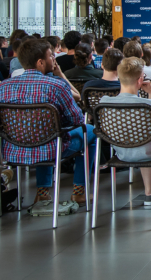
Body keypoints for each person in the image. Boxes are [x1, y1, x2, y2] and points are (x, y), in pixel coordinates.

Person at [0, 38, 95, 205]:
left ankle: (43, 193)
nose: (54, 59)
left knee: (46, 134)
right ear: (40, 62)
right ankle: (79, 191)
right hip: (51, 149)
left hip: (13, 151)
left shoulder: (3, 87)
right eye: (52, 56)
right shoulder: (56, 86)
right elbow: (77, 119)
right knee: (90, 132)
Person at [101, 58, 151, 206]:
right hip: (150, 151)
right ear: (140, 79)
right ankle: (149, 191)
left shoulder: (104, 102)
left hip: (120, 151)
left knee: (144, 136)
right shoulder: (150, 104)